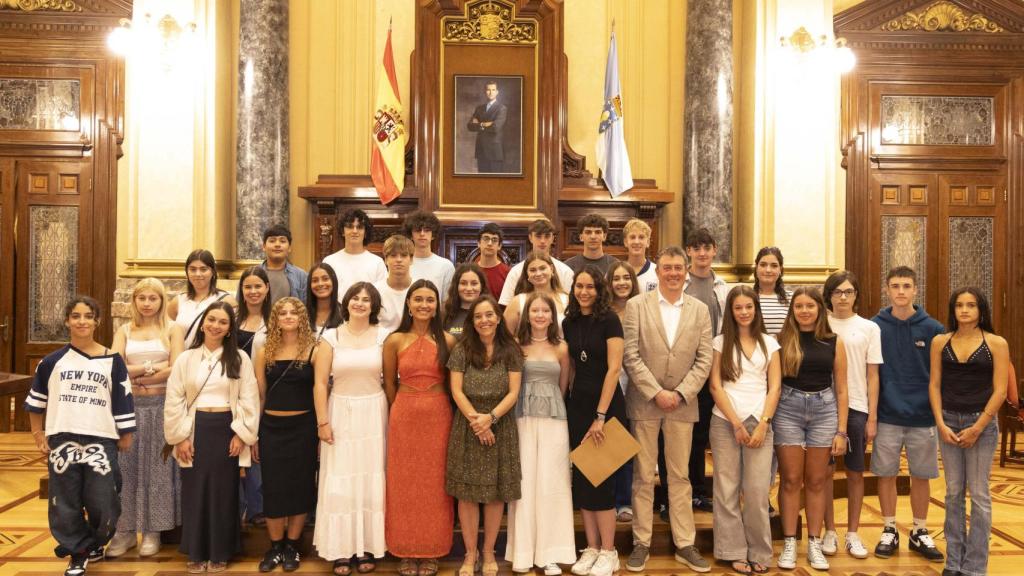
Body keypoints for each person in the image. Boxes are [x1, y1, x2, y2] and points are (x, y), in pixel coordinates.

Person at [26, 296, 136, 576]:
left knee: (104, 499)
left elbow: (122, 400)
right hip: (63, 437)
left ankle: (95, 542)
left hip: (101, 438)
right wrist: (38, 433)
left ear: (97, 321)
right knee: (65, 500)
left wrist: (126, 433)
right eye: (76, 316)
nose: (82, 321)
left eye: (88, 316)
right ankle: (78, 551)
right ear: (67, 321)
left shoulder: (112, 361)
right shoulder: (51, 362)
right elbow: (36, 403)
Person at [622, 246, 713, 574]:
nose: (673, 273)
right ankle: (641, 542)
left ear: (686, 272)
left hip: (682, 405)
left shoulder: (700, 310)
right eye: (667, 267)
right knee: (643, 475)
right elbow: (630, 354)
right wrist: (656, 392)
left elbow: (705, 358)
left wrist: (681, 392)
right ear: (657, 271)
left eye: (678, 268)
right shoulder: (636, 306)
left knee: (680, 476)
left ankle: (685, 543)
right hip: (645, 402)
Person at [164, 301, 259, 574]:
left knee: (224, 493)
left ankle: (220, 550)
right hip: (194, 430)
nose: (216, 326)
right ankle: (196, 550)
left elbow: (249, 397)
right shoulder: (186, 359)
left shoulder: (240, 358)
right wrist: (180, 437)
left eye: (223, 322)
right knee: (194, 492)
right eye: (212, 320)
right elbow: (174, 399)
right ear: (203, 323)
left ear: (230, 329)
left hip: (227, 430)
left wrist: (241, 433)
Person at [929, 287, 1008, 576]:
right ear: (953, 310)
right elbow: (934, 384)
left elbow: (1000, 391)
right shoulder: (940, 341)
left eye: (971, 305)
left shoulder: (996, 343)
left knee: (979, 495)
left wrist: (978, 427)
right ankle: (953, 562)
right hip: (948, 422)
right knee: (952, 493)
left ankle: (975, 567)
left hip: (981, 426)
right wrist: (940, 423)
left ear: (981, 309)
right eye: (959, 305)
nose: (964, 310)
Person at [871, 266, 946, 562]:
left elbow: (939, 376)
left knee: (922, 476)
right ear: (887, 290)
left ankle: (919, 531)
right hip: (887, 415)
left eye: (906, 286)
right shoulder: (874, 327)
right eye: (895, 286)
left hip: (923, 416)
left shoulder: (934, 329)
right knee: (886, 474)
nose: (901, 291)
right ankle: (889, 528)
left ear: (916, 289)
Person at [383, 279, 457, 576]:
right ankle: (404, 547)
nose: (424, 305)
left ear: (437, 306)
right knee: (403, 482)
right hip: (404, 415)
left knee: (435, 483)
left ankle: (432, 549)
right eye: (418, 299)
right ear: (409, 304)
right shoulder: (394, 340)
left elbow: (453, 385)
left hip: (439, 416)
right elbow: (390, 382)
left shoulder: (448, 341)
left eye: (429, 300)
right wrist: (403, 407)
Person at [107, 279, 185, 558]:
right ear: (135, 301)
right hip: (130, 407)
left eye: (153, 298)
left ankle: (153, 531)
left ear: (162, 301)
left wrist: (139, 372)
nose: (147, 303)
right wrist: (153, 368)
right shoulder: (125, 330)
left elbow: (177, 366)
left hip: (162, 406)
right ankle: (125, 531)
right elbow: (115, 367)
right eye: (142, 298)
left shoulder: (173, 329)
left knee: (158, 469)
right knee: (126, 469)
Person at [315, 283, 389, 575]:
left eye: (366, 299)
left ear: (374, 306)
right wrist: (323, 421)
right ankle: (341, 548)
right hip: (340, 413)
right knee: (340, 479)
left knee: (371, 477)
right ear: (345, 303)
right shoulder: (330, 337)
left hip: (374, 414)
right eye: (355, 298)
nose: (360, 303)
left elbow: (391, 380)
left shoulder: (384, 336)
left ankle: (368, 545)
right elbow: (320, 383)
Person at [253, 297, 332, 572]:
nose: (288, 316)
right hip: (271, 428)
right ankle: (275, 546)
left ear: (302, 318)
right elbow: (260, 395)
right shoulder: (264, 351)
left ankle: (292, 546)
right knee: (273, 487)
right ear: (275, 319)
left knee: (300, 486)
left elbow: (320, 388)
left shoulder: (316, 349)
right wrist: (255, 434)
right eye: (282, 313)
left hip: (303, 427)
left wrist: (322, 427)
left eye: (293, 312)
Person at [447, 296, 524, 576]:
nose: (484, 320)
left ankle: (489, 551)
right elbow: (456, 390)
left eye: (489, 315)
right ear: (472, 321)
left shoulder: (511, 350)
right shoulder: (462, 349)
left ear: (499, 318)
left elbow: (514, 393)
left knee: (494, 494)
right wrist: (477, 422)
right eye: (478, 316)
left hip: (500, 425)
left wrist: (490, 418)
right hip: (467, 426)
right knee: (466, 495)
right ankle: (470, 554)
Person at [774, 287, 848, 571]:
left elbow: (842, 389)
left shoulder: (834, 341)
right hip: (788, 410)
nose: (804, 311)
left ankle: (815, 542)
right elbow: (773, 384)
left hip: (824, 411)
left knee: (817, 480)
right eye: (799, 306)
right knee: (791, 479)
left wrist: (841, 431)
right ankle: (790, 542)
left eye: (810, 306)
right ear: (792, 311)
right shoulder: (780, 340)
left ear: (820, 309)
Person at [708, 285, 781, 575]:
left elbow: (775, 387)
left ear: (756, 309)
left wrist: (763, 424)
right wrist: (736, 423)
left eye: (748, 307)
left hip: (760, 422)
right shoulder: (720, 342)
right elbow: (715, 386)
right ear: (730, 311)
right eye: (738, 307)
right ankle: (733, 551)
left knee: (757, 490)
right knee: (726, 489)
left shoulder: (770, 343)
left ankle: (759, 551)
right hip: (725, 422)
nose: (744, 312)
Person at [506, 293, 576, 575]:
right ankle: (522, 553)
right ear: (527, 315)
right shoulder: (515, 346)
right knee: (524, 483)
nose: (539, 315)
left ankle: (551, 553)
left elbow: (563, 386)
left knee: (552, 482)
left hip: (553, 421)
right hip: (522, 419)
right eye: (534, 310)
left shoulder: (562, 348)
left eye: (545, 311)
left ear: (552, 316)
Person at [563, 267, 626, 576]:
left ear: (599, 290)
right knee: (584, 482)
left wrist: (600, 416)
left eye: (590, 286)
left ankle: (609, 551)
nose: (584, 291)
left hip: (607, 408)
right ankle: (591, 547)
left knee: (602, 483)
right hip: (578, 407)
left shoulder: (610, 319)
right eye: (579, 286)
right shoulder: (569, 322)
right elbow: (572, 366)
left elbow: (614, 369)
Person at [821, 270, 882, 559]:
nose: (843, 297)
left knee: (855, 472)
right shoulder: (821, 324)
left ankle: (853, 533)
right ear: (829, 296)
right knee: (824, 473)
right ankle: (830, 530)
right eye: (837, 292)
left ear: (856, 295)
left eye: (848, 291)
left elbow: (873, 375)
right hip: (824, 406)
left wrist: (872, 417)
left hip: (857, 406)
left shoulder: (869, 328)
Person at [683, 228, 729, 514]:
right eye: (696, 248)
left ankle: (699, 491)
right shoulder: (681, 283)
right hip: (683, 368)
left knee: (702, 435)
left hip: (713, 367)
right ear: (688, 251)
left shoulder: (722, 286)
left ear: (714, 251)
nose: (701, 253)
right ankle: (679, 492)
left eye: (706, 248)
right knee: (680, 435)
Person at [234, 266, 271, 528]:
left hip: (261, 391)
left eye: (258, 286)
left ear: (267, 288)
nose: (253, 291)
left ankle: (257, 507)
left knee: (256, 447)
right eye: (248, 286)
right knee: (234, 447)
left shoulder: (274, 321)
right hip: (231, 390)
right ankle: (235, 507)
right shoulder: (232, 318)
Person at [607, 261, 639, 523]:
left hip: (637, 382)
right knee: (610, 441)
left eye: (626, 278)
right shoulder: (604, 312)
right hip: (610, 380)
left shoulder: (643, 308)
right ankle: (607, 498)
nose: (621, 283)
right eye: (616, 279)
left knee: (628, 442)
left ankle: (624, 500)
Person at [499, 219, 575, 306]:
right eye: (538, 236)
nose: (542, 241)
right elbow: (506, 304)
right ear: (530, 238)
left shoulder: (565, 271)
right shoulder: (515, 271)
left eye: (547, 236)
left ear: (552, 238)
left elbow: (571, 305)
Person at [168, 249, 236, 342]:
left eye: (203, 269)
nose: (198, 274)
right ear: (187, 272)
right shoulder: (178, 301)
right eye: (193, 269)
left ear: (213, 272)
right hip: (182, 351)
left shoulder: (227, 300)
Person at [322, 208, 387, 299]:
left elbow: (382, 295)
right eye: (350, 227)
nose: (355, 231)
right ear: (342, 231)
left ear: (365, 233)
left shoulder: (377, 262)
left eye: (359, 227)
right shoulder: (329, 261)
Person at [502, 251, 568, 335]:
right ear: (527, 274)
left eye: (542, 268)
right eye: (532, 270)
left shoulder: (566, 300)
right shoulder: (517, 302)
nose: (538, 273)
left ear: (551, 269)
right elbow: (505, 337)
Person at [405, 210, 455, 297]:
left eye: (427, 230)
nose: (422, 234)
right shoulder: (403, 263)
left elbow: (447, 301)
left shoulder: (446, 266)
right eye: (418, 230)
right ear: (411, 235)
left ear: (433, 235)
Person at [373, 234, 416, 333]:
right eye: (393, 255)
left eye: (404, 255)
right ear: (385, 259)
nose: (399, 260)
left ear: (411, 259)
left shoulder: (420, 289)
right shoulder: (375, 291)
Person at [259, 224, 308, 304]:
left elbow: (306, 308)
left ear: (289, 248)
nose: (277, 245)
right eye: (272, 241)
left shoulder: (301, 276)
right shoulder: (252, 274)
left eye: (282, 241)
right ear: (264, 246)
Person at [467, 80, 507, 173]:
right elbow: (470, 126)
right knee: (482, 179)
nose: (490, 92)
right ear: (485, 92)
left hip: (494, 152)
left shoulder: (502, 108)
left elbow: (495, 127)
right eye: (488, 90)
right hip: (481, 150)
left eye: (493, 90)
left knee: (495, 180)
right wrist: (484, 124)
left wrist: (479, 124)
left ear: (497, 92)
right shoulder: (479, 108)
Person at [443, 263, 490, 337]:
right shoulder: (444, 314)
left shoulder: (490, 314)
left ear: (481, 286)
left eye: (474, 283)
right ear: (456, 286)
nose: (469, 288)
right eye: (463, 283)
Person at [753, 247, 790, 336]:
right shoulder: (747, 297)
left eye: (774, 266)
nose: (768, 270)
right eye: (763, 265)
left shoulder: (792, 298)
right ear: (756, 268)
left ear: (780, 269)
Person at [305, 261, 344, 340]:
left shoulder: (345, 314)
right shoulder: (302, 313)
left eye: (325, 279)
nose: (320, 284)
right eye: (315, 280)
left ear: (333, 281)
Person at [476, 223, 511, 299]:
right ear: (478, 243)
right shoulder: (470, 271)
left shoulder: (509, 273)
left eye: (494, 240)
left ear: (499, 246)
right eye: (486, 239)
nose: (489, 243)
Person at [622, 218, 658, 293]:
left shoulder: (658, 272)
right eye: (632, 237)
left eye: (641, 237)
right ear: (625, 242)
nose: (636, 242)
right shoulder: (616, 272)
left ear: (648, 242)